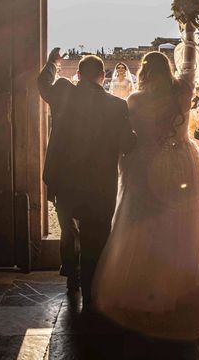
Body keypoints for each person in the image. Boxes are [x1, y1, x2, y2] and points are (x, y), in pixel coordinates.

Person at [93, 24, 199, 329]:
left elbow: (130, 138)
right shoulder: (182, 92)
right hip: (182, 161)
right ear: (167, 68)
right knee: (177, 224)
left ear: (144, 71)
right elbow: (190, 66)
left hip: (145, 165)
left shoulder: (134, 100)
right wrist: (188, 34)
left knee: (141, 223)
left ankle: (139, 287)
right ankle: (175, 288)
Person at [38, 50, 136, 308]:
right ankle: (91, 290)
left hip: (65, 179)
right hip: (100, 183)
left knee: (69, 229)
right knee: (97, 233)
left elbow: (43, 84)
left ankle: (72, 279)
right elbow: (127, 145)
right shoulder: (117, 106)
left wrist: (52, 64)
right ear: (103, 77)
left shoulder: (62, 93)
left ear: (78, 76)